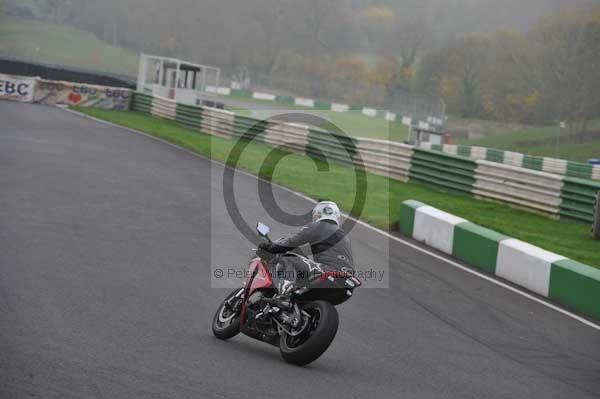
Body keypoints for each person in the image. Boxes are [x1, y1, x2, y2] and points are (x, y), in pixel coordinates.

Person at [258, 201, 354, 294]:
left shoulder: (319, 225)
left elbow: (291, 242)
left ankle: (284, 291)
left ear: (318, 214)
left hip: (328, 271)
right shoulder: (344, 234)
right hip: (347, 281)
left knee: (287, 259)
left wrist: (268, 248)